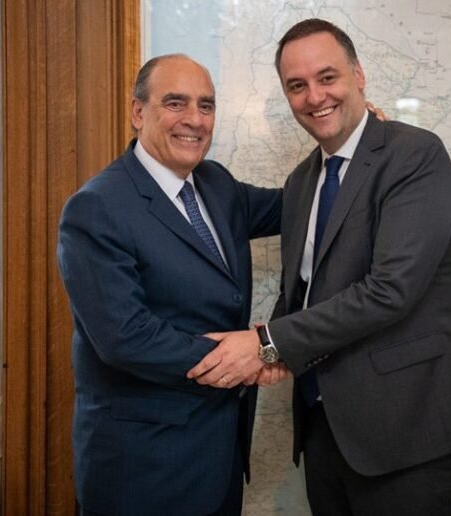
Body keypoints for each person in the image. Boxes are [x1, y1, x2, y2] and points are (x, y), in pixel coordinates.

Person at [188, 19, 451, 515]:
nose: (314, 96)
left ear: (359, 75)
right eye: (297, 85)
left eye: (327, 77)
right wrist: (273, 351)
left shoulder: (415, 155)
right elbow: (304, 290)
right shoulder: (302, 181)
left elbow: (390, 290)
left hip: (405, 427)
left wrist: (265, 343)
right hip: (323, 424)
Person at [57, 54, 282, 515]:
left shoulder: (216, 185)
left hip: (218, 460)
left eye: (206, 105)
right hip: (144, 471)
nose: (194, 120)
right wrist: (246, 355)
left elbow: (295, 205)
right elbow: (126, 337)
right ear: (138, 112)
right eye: (175, 103)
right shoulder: (97, 208)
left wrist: (354, 142)